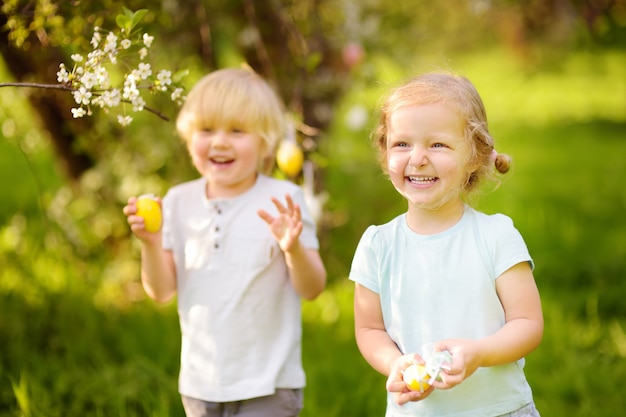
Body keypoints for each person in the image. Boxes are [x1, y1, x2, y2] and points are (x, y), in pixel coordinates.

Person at [123, 67, 327, 417]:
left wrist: (292, 248)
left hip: (270, 384)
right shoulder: (177, 202)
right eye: (206, 130)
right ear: (189, 137)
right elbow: (160, 291)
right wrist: (150, 243)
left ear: (264, 142)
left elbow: (313, 288)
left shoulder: (283, 199)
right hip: (201, 384)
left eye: (236, 131)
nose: (219, 142)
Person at [349, 72, 543, 417]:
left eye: (437, 144)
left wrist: (479, 353)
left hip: (498, 410)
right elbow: (369, 328)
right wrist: (395, 363)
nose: (418, 158)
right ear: (384, 152)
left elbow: (527, 323)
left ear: (474, 155)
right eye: (402, 144)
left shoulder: (495, 236)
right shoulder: (378, 245)